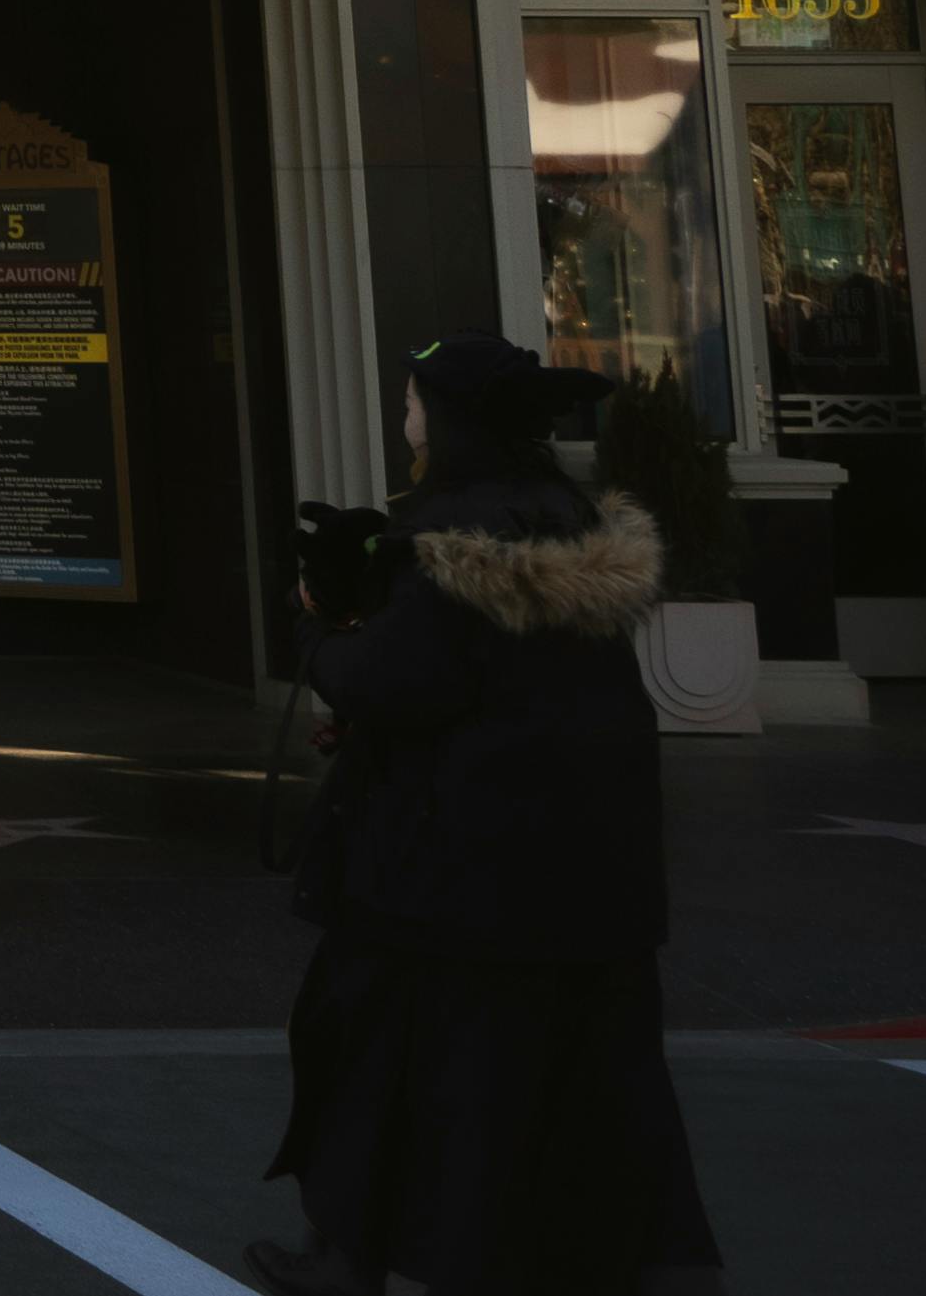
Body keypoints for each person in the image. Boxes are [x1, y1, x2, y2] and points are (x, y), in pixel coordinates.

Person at [255, 332, 723, 1296]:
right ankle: (654, 1265)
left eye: (415, 400)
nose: (404, 417)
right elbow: (512, 686)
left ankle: (353, 1256)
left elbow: (397, 682)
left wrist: (315, 627)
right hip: (592, 863)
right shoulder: (569, 514)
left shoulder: (448, 537)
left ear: (451, 417)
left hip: (451, 871)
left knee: (393, 1058)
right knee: (598, 1073)